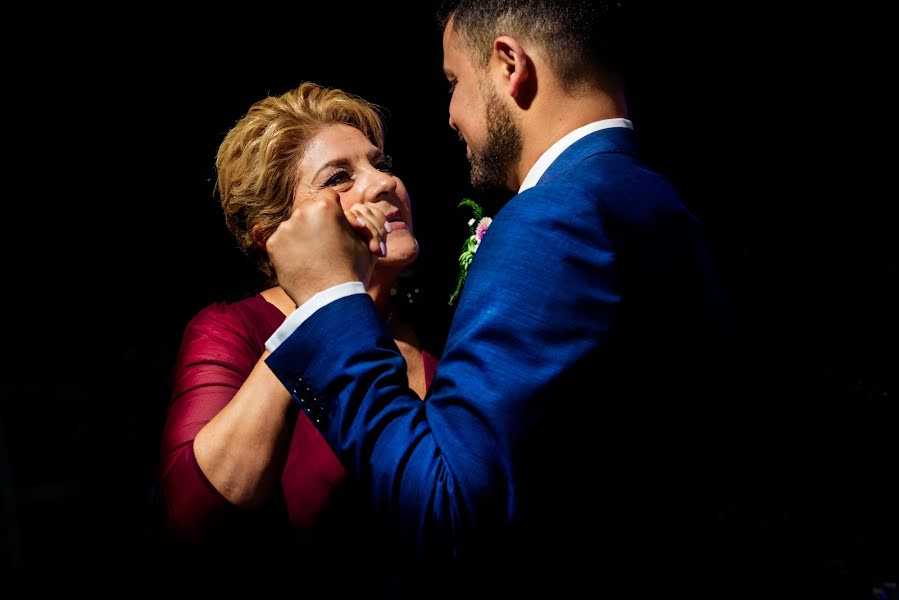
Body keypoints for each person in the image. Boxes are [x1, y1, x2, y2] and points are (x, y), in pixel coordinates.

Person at [261, 1, 740, 595]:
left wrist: (331, 298)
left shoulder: (554, 218)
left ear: (510, 64)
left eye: (454, 83)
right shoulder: (656, 199)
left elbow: (446, 509)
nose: (452, 115)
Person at [158, 82, 435, 591]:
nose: (384, 183)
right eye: (340, 178)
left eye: (382, 163)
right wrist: (321, 305)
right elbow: (194, 515)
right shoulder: (232, 331)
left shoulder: (440, 322)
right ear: (276, 233)